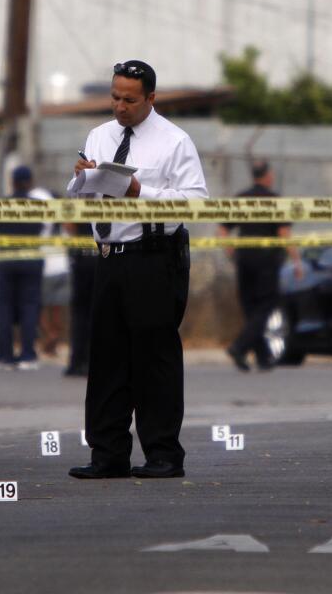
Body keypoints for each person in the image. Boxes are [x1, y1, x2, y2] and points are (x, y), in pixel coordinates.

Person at [67, 60, 208, 480]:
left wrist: (137, 189)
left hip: (153, 256)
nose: (120, 107)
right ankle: (107, 453)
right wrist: (80, 181)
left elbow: (196, 202)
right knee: (107, 357)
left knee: (154, 357)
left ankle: (163, 453)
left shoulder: (174, 141)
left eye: (129, 99)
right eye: (114, 97)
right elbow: (80, 200)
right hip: (109, 256)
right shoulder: (99, 135)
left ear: (150, 98)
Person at [218, 160, 304, 372]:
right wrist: (296, 261)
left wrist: (233, 254)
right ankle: (239, 346)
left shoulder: (242, 198)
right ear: (267, 175)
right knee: (266, 305)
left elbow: (222, 231)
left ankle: (263, 356)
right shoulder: (274, 200)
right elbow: (284, 234)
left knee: (250, 307)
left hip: (245, 258)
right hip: (266, 261)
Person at [0, 166, 45, 370]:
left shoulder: (1, 204)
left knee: (4, 308)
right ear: (30, 182)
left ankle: (4, 356)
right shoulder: (37, 206)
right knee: (29, 308)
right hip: (31, 260)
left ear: (12, 182)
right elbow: (40, 228)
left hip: (6, 260)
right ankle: (27, 355)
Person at [63, 220, 96, 377]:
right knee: (98, 312)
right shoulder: (110, 197)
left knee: (80, 313)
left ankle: (77, 361)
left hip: (81, 257)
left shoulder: (79, 195)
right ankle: (92, 362)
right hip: (102, 255)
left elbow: (68, 225)